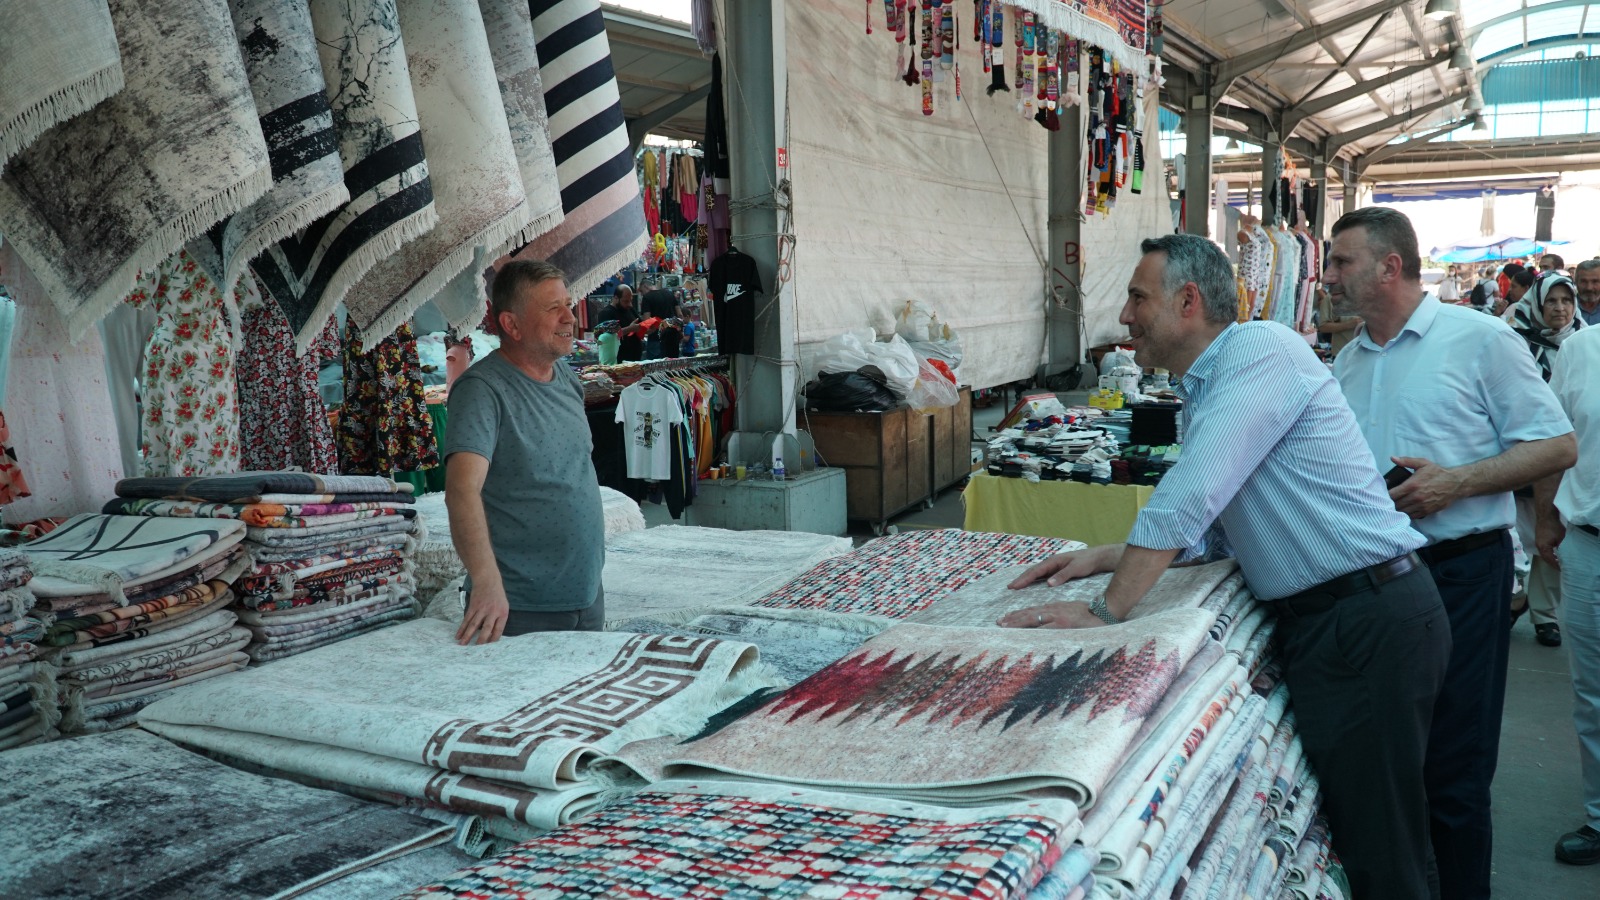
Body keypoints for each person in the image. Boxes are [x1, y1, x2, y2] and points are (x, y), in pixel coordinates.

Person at [999, 233, 1446, 900]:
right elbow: (1220, 530)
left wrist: (1104, 611)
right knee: (1363, 830)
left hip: (1366, 618)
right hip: (1342, 619)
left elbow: (1195, 490)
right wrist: (1104, 557)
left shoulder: (1259, 351)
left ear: (1187, 301)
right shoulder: (1207, 386)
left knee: (1386, 847)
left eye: (1136, 297)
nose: (1124, 317)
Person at [1326, 206, 1577, 900]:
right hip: (1376, 584)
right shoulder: (1348, 364)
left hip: (1462, 572)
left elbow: (1557, 445)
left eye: (1342, 262)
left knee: (1455, 772)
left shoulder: (1479, 339)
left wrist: (1455, 483)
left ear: (1390, 266)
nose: (1329, 276)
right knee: (1389, 769)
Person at [444, 260, 606, 643]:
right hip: (518, 608)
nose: (570, 317)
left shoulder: (566, 377)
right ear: (511, 325)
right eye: (553, 308)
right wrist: (485, 584)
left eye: (568, 303)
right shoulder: (482, 390)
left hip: (586, 595)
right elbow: (461, 491)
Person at [1535, 323, 1600, 865]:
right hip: (1590, 545)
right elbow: (1552, 442)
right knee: (1594, 692)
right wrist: (1545, 521)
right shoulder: (1580, 352)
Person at [1508, 274, 1585, 646]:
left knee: (1553, 534)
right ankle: (1513, 597)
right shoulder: (1515, 341)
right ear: (1538, 304)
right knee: (1518, 531)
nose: (1559, 308)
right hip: (1519, 450)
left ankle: (1544, 614)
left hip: (1563, 458)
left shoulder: (1584, 345)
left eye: (1565, 301)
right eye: (1551, 301)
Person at [596, 284, 645, 362]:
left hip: (635, 358)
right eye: (626, 301)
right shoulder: (606, 313)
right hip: (619, 359)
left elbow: (640, 324)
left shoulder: (629, 309)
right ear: (616, 298)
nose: (629, 304)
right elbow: (607, 337)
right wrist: (629, 329)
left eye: (630, 301)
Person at [1314, 285, 1361, 355]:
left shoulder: (1374, 297)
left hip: (1370, 356)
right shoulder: (1332, 297)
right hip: (1342, 355)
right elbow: (1323, 327)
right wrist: (1349, 324)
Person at [1573, 258, 1600, 327]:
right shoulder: (1566, 308)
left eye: (1595, 281)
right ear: (1576, 282)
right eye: (1583, 281)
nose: (1589, 288)